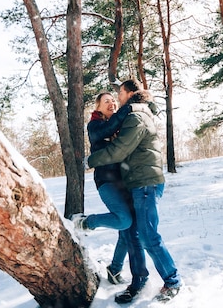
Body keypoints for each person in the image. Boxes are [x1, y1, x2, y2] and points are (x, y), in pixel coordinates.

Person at [87, 79, 182, 303]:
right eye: (108, 99)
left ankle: (173, 280)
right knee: (132, 234)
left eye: (118, 94)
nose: (116, 99)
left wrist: (90, 160)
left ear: (129, 94)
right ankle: (138, 279)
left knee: (148, 236)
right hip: (133, 184)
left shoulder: (136, 116)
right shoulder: (128, 116)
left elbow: (119, 150)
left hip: (145, 182)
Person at [74, 92, 149, 294]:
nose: (112, 103)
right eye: (106, 101)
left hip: (124, 181)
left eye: (113, 100)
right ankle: (86, 222)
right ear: (97, 107)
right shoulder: (95, 125)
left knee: (128, 229)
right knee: (124, 220)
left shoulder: (119, 125)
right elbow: (107, 129)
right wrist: (128, 107)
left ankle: (114, 269)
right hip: (106, 180)